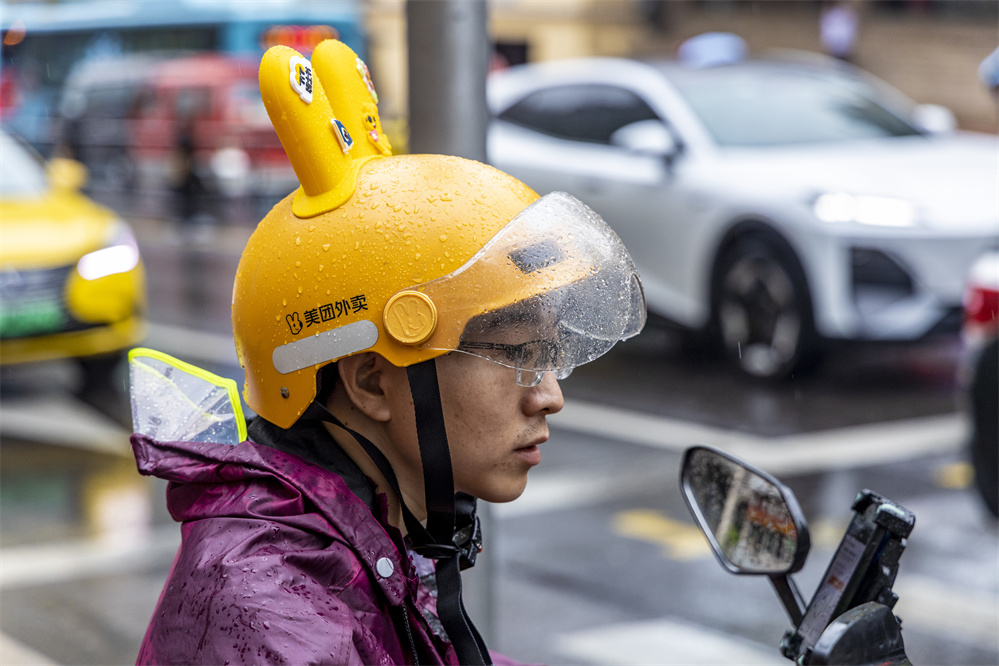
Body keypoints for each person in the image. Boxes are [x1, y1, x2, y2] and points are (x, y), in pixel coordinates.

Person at [130, 39, 646, 665]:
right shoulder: (271, 618)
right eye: (516, 355)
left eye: (547, 357)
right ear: (372, 381)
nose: (548, 396)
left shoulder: (363, 529)